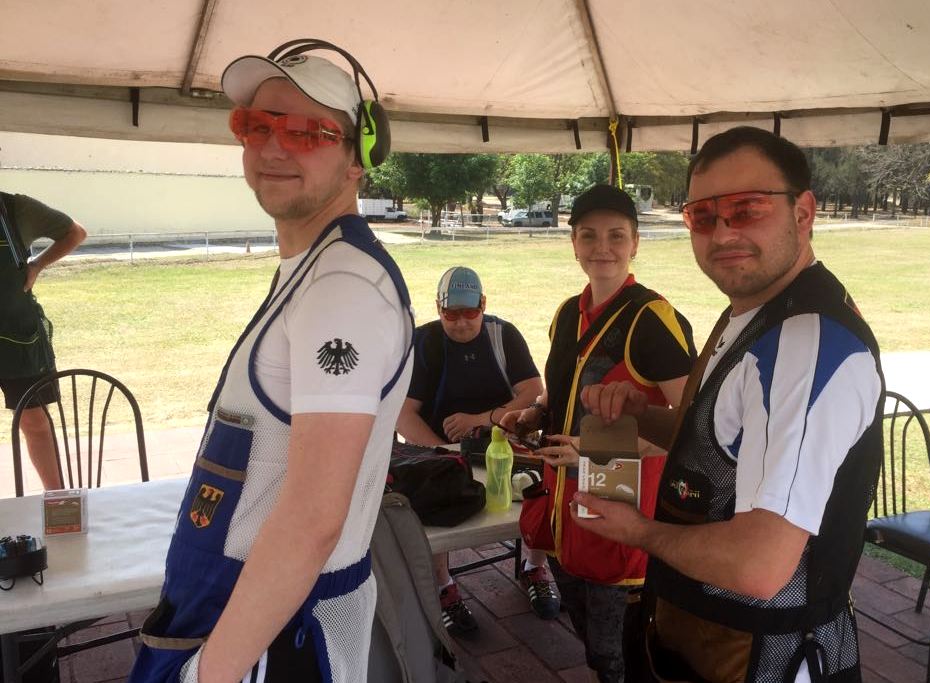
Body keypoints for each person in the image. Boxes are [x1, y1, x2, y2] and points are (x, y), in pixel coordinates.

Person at [129, 41, 414, 683]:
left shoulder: (341, 287)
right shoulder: (317, 268)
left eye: (309, 132)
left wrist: (211, 675)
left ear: (358, 157)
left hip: (277, 633)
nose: (274, 147)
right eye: (256, 126)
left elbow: (314, 518)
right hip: (250, 613)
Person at [575, 126, 884, 683]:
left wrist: (640, 532)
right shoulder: (754, 311)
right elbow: (720, 441)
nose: (723, 233)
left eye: (747, 209)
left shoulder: (803, 343)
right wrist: (642, 415)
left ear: (803, 212)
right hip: (706, 642)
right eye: (703, 216)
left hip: (765, 657)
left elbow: (758, 565)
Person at [503, 184, 696, 683]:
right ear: (573, 244)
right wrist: (535, 412)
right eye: (588, 235)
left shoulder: (652, 318)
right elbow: (563, 388)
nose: (601, 247)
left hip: (623, 514)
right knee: (591, 641)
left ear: (635, 243)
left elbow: (694, 427)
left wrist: (593, 451)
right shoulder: (568, 312)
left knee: (621, 655)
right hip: (564, 508)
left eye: (616, 235)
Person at [396, 265, 558, 635]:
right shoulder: (424, 342)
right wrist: (442, 454)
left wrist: (482, 418)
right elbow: (403, 414)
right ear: (438, 308)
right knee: (430, 495)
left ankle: (535, 567)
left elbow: (534, 391)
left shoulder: (503, 334)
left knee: (546, 483)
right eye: (451, 313)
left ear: (483, 304)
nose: (461, 322)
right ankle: (443, 586)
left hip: (503, 440)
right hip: (442, 448)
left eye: (470, 312)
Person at [0, 188, 86, 490]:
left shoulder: (14, 209)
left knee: (34, 422)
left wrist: (36, 264)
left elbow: (74, 233)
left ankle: (58, 500)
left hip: (17, 338)